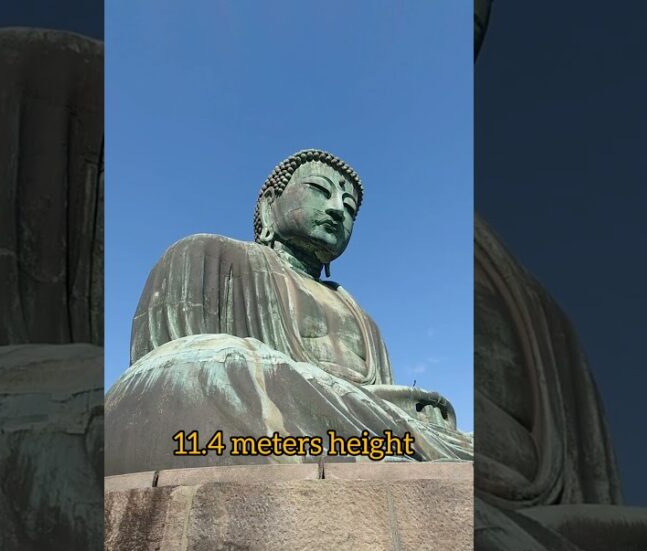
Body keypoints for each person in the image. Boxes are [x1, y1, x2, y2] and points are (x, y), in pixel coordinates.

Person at [106, 148, 473, 475]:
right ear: (269, 206)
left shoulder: (364, 320)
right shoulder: (205, 255)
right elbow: (163, 370)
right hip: (250, 408)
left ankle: (379, 454)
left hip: (352, 426)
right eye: (320, 191)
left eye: (349, 209)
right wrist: (258, 366)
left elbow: (374, 400)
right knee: (207, 367)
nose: (336, 210)